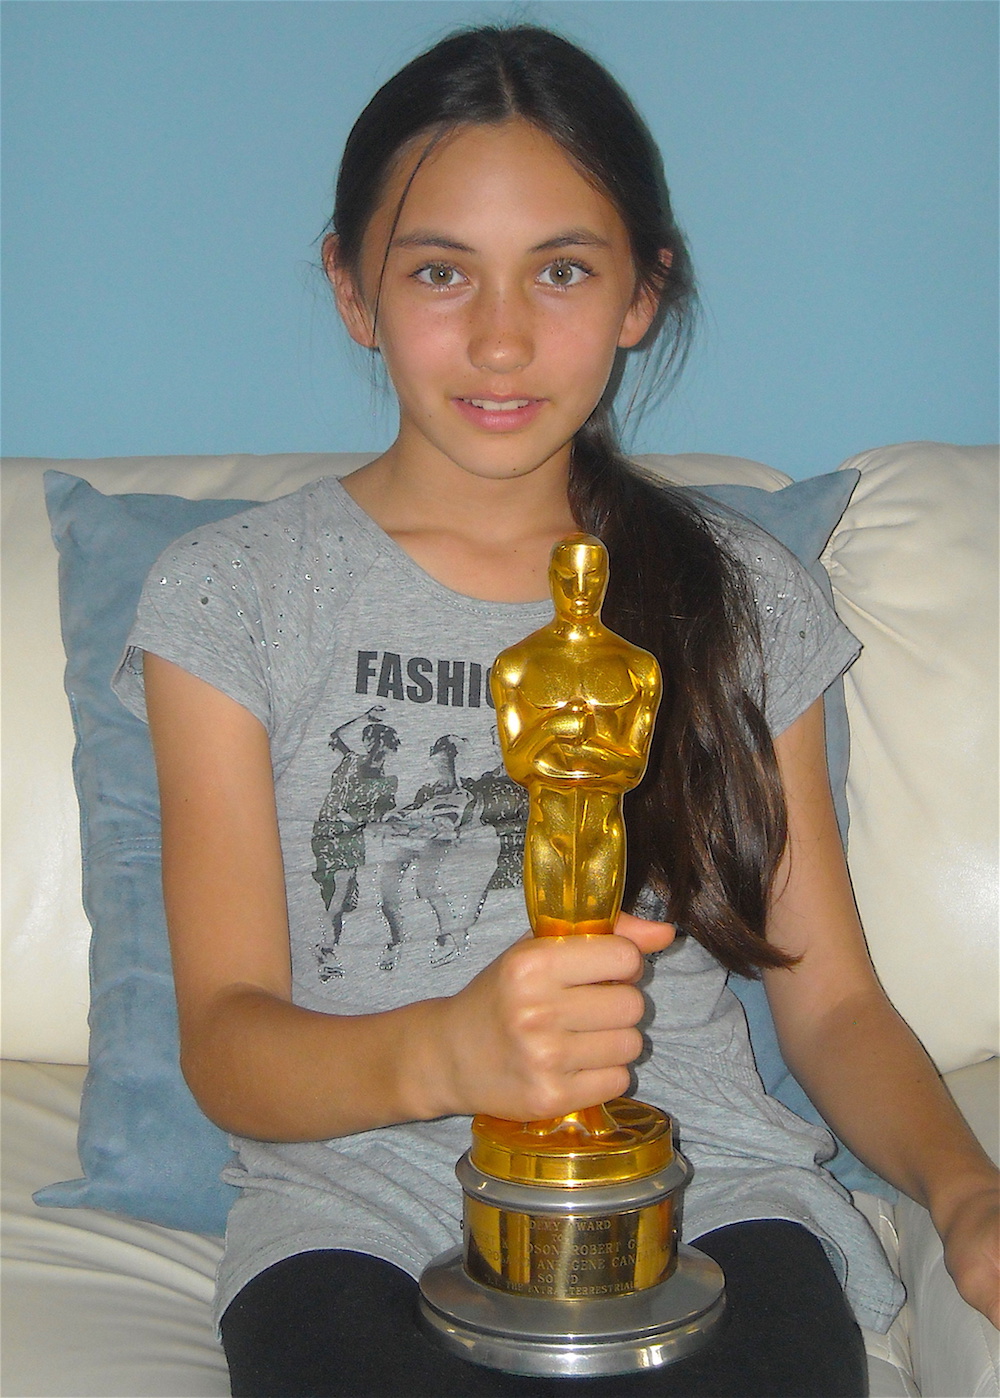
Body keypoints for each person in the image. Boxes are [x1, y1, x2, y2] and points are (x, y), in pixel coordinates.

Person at [112, 25, 999, 1397]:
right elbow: (229, 1038)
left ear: (644, 293)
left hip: (706, 1196)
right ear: (353, 288)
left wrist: (963, 1191)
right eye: (439, 271)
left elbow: (829, 1003)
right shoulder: (236, 596)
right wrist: (451, 1048)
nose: (503, 334)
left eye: (565, 269)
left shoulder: (739, 596)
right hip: (361, 1213)